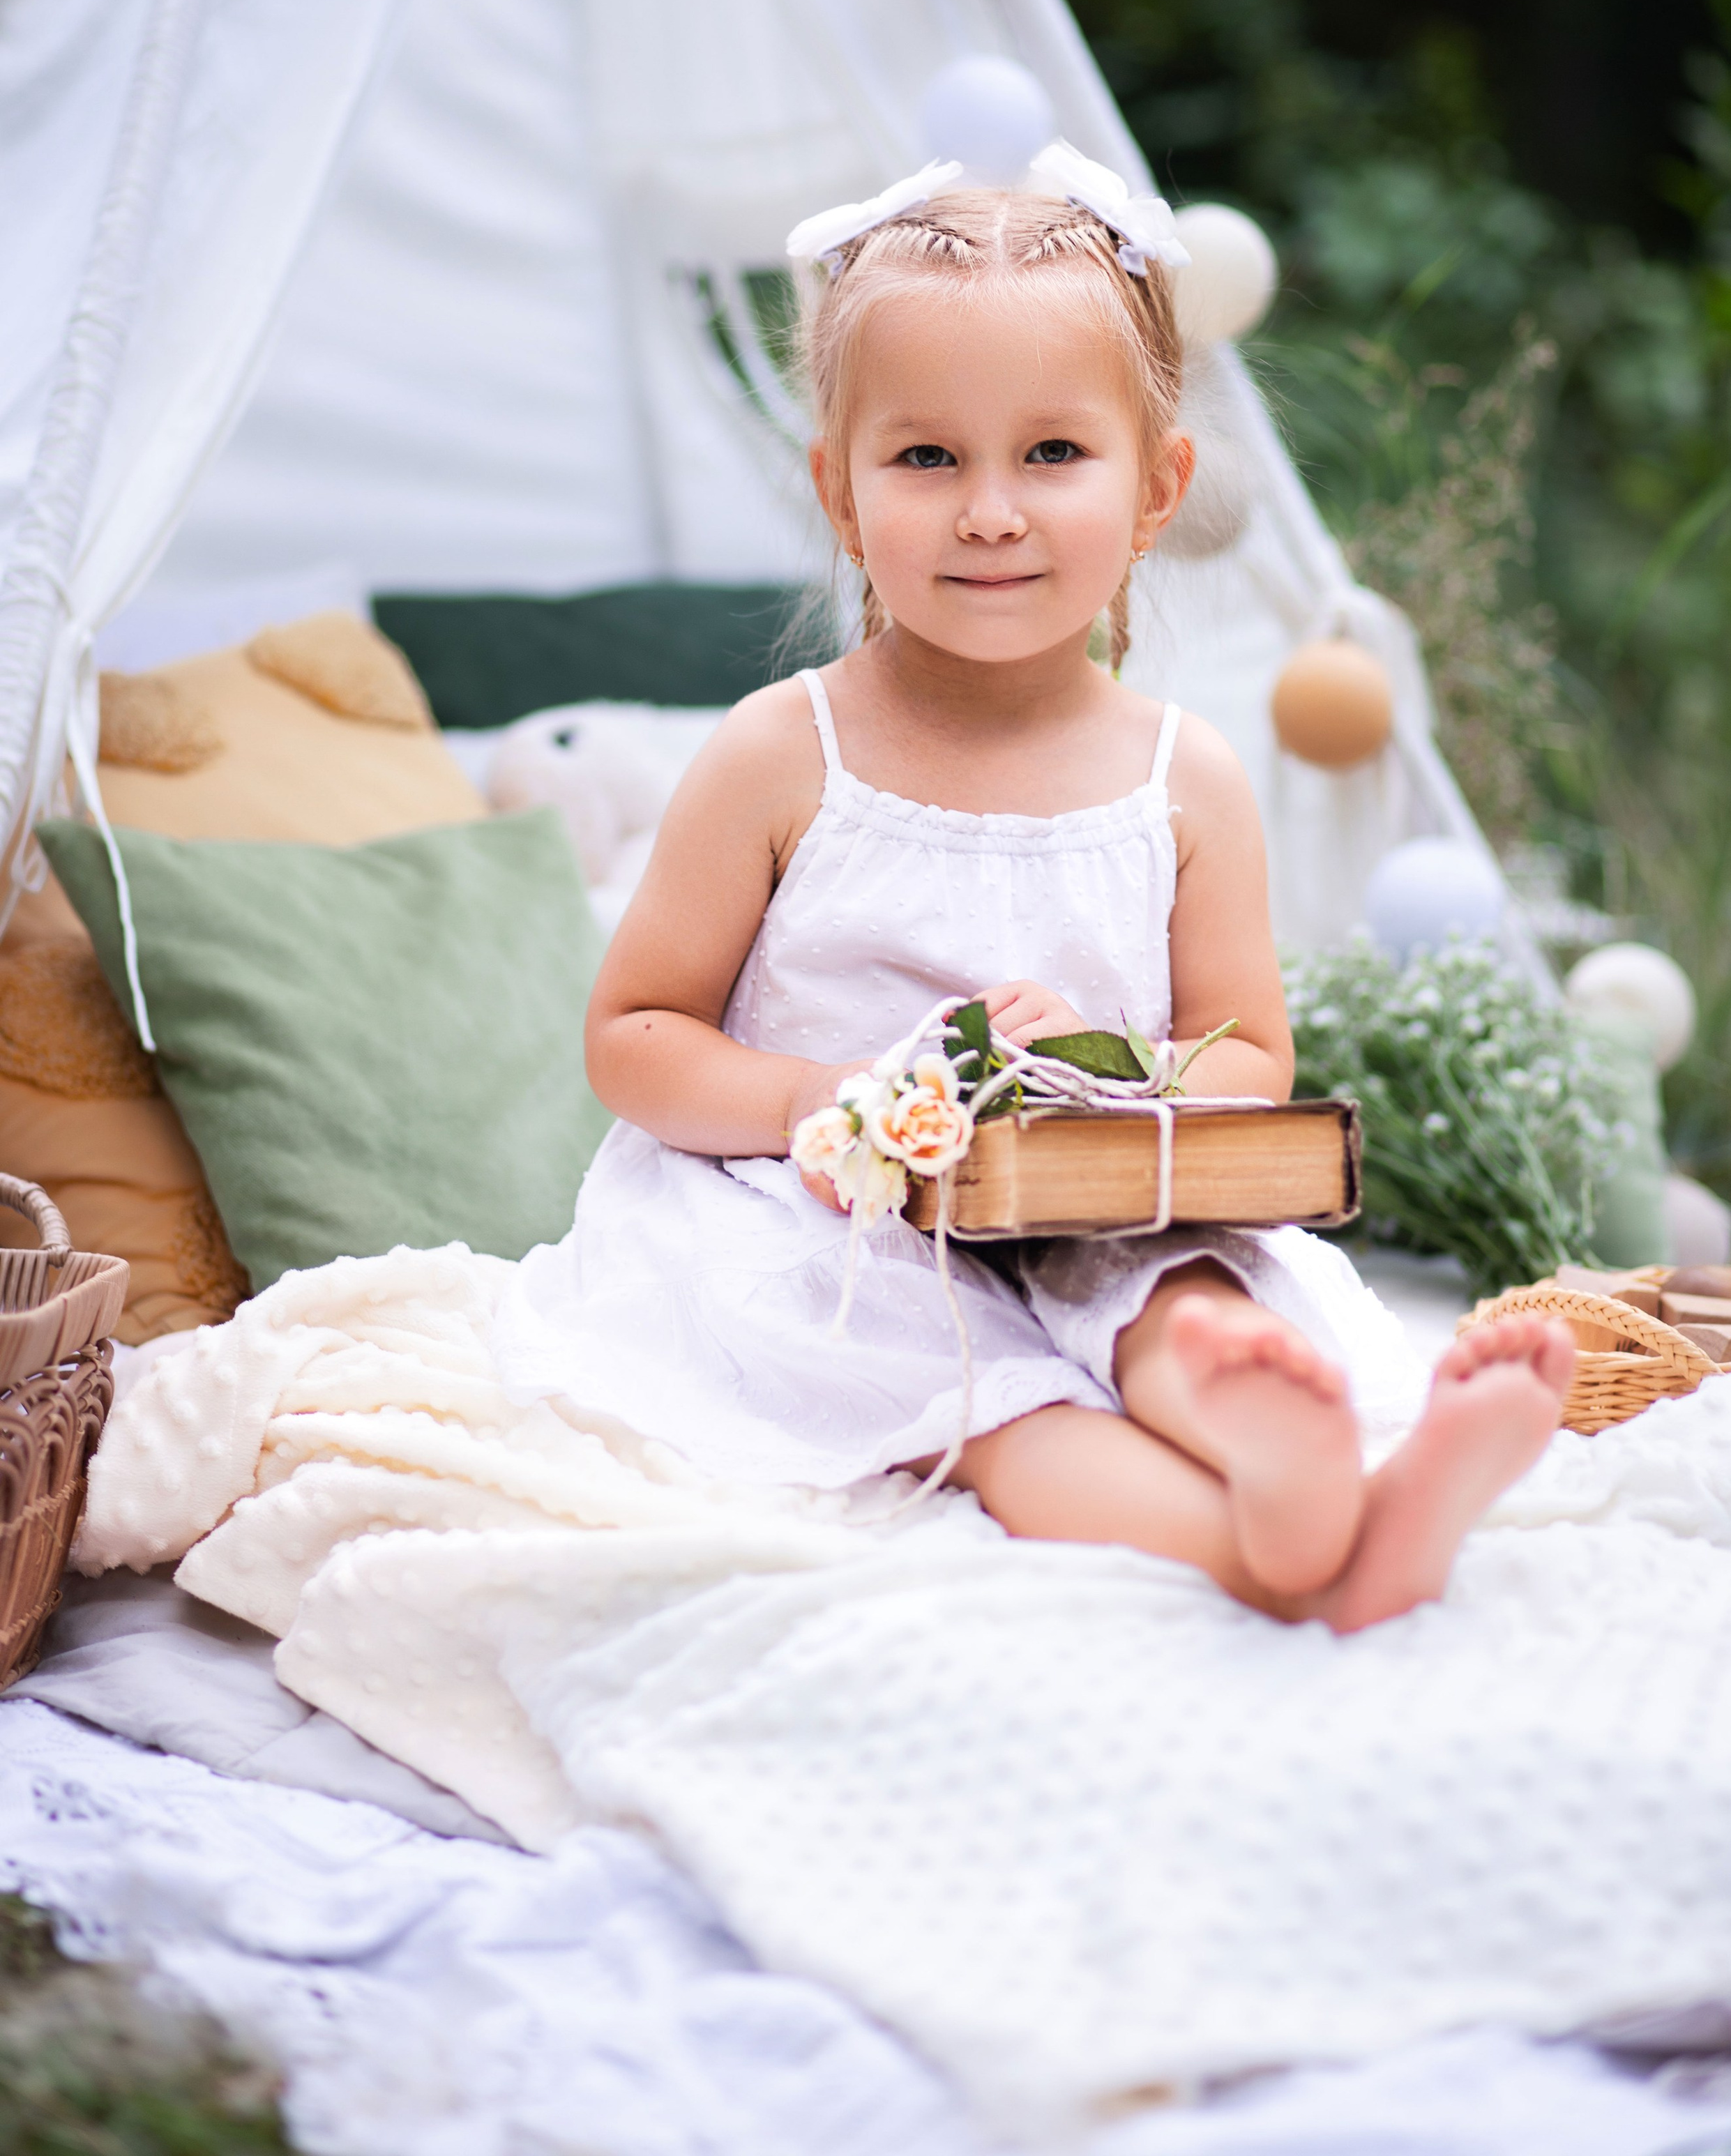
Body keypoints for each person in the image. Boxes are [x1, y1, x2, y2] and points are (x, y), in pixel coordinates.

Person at [494, 152, 1573, 1630]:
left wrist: (1105, 1068)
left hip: (1085, 1197)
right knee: (984, 1397)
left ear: (1157, 488)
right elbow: (634, 1039)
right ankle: (1280, 1548)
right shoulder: (782, 753)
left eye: (1052, 453)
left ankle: (1273, 1433)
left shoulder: (1184, 778)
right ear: (838, 488)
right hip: (831, 1230)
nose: (990, 512)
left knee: (1180, 1296)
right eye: (927, 459)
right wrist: (827, 1100)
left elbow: (1249, 1062)